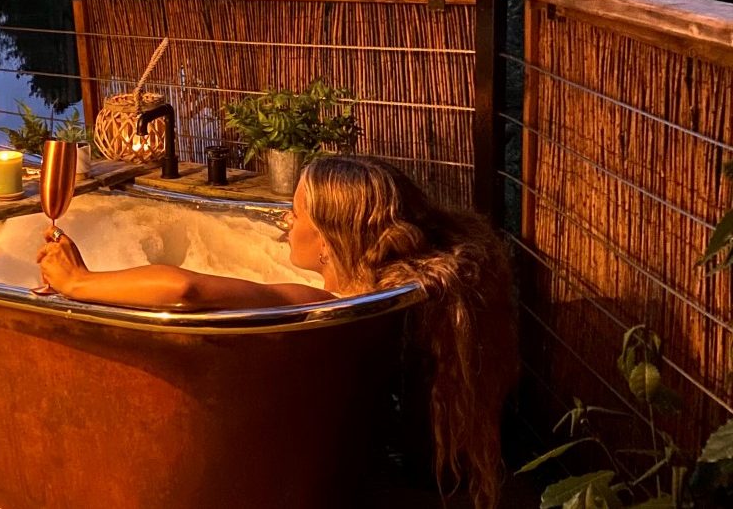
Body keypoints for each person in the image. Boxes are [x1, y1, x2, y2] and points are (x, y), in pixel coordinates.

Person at [36, 154, 517, 508]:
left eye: (295, 212)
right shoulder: (388, 291)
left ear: (329, 237)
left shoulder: (331, 307)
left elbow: (187, 290)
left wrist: (80, 281)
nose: (284, 220)